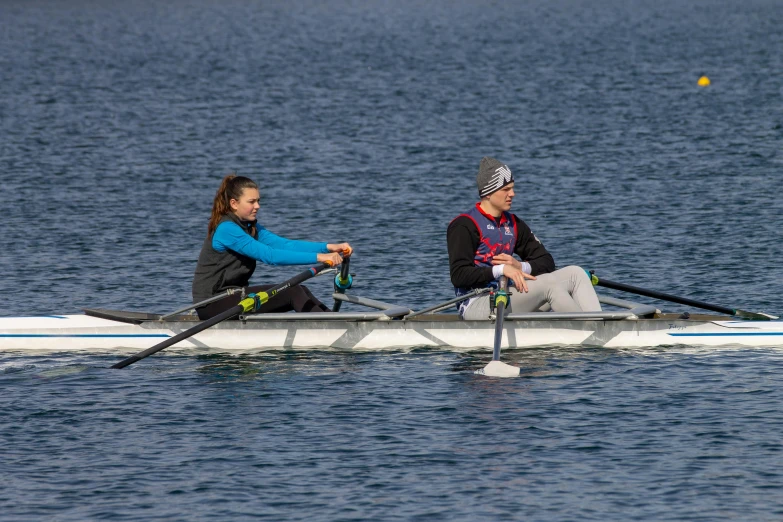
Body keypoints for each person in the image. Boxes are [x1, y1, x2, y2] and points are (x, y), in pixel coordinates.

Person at [447, 157, 601, 320]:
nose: (512, 194)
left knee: (576, 274)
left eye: (512, 188)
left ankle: (598, 325)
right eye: (506, 189)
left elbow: (547, 262)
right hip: (476, 303)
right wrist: (501, 270)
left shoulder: (513, 224)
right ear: (488, 193)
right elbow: (459, 275)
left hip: (508, 297)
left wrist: (520, 266)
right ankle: (591, 331)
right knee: (548, 283)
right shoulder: (464, 226)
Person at [192, 174, 352, 319]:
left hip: (232, 297)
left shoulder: (251, 227)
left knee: (301, 289)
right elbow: (270, 256)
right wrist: (321, 258)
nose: (257, 206)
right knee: (292, 291)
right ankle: (331, 328)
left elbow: (285, 245)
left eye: (258, 201)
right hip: (212, 303)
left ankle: (333, 321)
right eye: (251, 202)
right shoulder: (227, 229)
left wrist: (328, 247)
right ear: (234, 204)